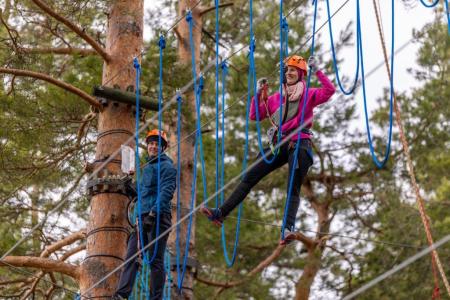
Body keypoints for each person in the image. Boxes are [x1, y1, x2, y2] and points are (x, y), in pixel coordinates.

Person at [201, 55, 336, 245]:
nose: (289, 73)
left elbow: (330, 91)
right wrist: (258, 94)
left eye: (293, 71)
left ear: (301, 74)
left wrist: (318, 70)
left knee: (293, 187)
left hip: (299, 143)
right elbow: (255, 115)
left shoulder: (308, 94)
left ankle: (288, 229)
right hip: (278, 144)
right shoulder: (276, 98)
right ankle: (221, 213)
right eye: (287, 70)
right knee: (249, 177)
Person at [113, 129, 176, 299]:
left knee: (155, 260)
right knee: (132, 256)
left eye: (157, 144)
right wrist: (131, 187)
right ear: (147, 146)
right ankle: (121, 295)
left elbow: (166, 192)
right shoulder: (148, 167)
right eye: (151, 144)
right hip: (141, 219)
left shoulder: (167, 167)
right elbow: (143, 192)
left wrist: (153, 214)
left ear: (163, 148)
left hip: (158, 218)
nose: (153, 147)